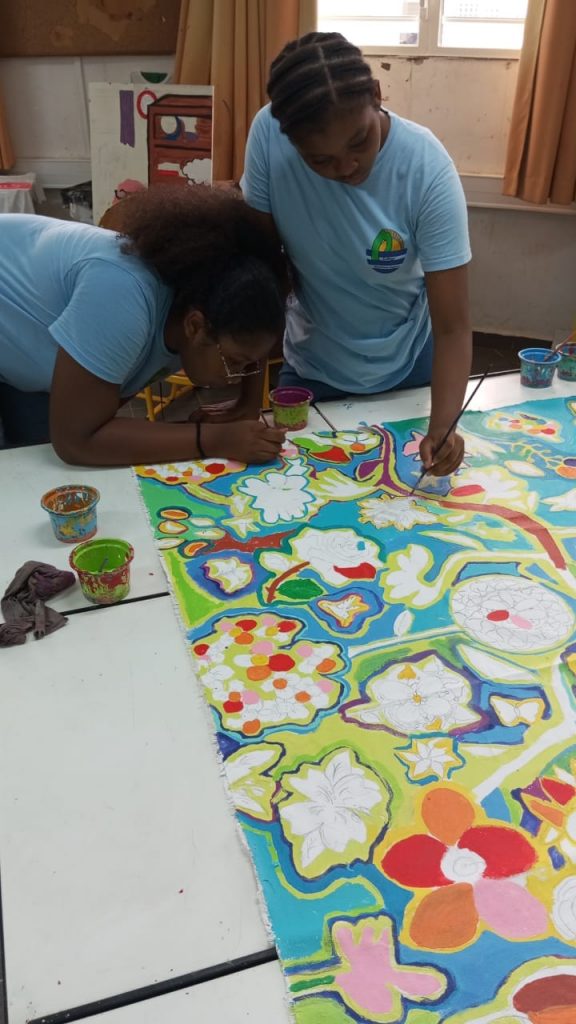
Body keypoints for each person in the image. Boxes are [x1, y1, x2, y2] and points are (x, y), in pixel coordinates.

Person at [241, 31, 473, 477]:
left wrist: (444, 426)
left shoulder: (426, 169)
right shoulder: (268, 136)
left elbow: (454, 326)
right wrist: (247, 408)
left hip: (409, 365)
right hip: (312, 366)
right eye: (320, 160)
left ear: (377, 95)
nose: (346, 167)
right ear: (290, 140)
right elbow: (260, 279)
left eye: (359, 142)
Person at [0, 185, 287, 466]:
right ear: (195, 326)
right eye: (234, 362)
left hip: (24, 349)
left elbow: (96, 417)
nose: (234, 378)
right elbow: (76, 440)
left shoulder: (194, 307)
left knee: (42, 452)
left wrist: (247, 404)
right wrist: (214, 439)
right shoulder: (122, 295)